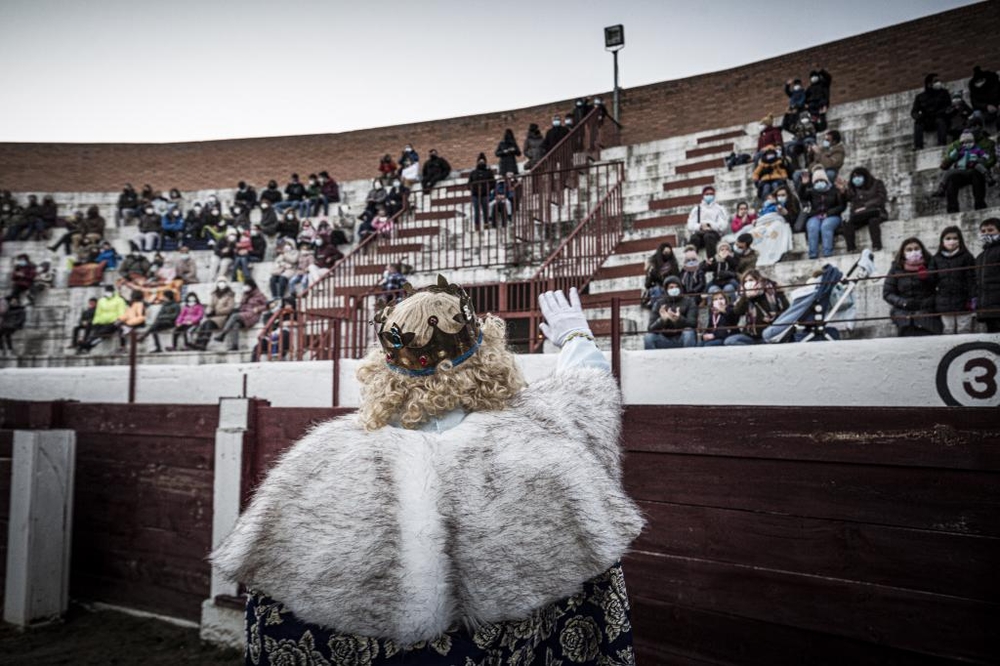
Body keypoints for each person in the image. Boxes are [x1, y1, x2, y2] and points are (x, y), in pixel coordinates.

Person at [212, 280, 642, 665]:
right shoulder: (539, 434)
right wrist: (573, 335)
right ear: (488, 355)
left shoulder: (321, 458)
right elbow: (585, 388)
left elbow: (273, 612)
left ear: (384, 369)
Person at [883, 237, 942, 337]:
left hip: (927, 310)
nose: (913, 252)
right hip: (903, 311)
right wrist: (903, 303)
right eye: (909, 250)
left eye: (916, 249)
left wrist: (927, 278)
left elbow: (939, 287)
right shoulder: (896, 268)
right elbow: (887, 293)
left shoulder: (931, 264)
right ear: (903, 253)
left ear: (922, 250)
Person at [930, 226, 976, 334]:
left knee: (964, 330)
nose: (952, 241)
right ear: (942, 241)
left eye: (955, 238)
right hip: (944, 303)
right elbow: (932, 280)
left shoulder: (967, 257)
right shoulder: (936, 258)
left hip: (964, 302)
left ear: (960, 240)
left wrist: (973, 298)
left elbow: (972, 279)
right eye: (948, 238)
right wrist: (925, 275)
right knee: (948, 330)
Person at [937, 128, 995, 213]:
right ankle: (951, 206)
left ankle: (980, 204)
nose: (967, 144)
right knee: (951, 177)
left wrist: (978, 161)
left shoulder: (984, 144)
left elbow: (988, 158)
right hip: (962, 170)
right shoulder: (958, 146)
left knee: (977, 173)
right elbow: (946, 162)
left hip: (975, 169)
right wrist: (955, 153)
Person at [724, 270, 789, 346]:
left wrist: (773, 317)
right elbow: (737, 311)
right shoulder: (743, 295)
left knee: (768, 335)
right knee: (730, 341)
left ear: (758, 280)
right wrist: (746, 297)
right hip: (751, 336)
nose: (748, 283)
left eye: (751, 280)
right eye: (746, 281)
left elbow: (786, 310)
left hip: (768, 333)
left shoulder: (770, 291)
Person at [800, 168, 844, 259]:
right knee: (812, 227)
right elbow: (802, 196)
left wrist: (829, 213)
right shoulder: (812, 192)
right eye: (816, 181)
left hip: (832, 216)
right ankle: (813, 254)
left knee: (826, 226)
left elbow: (842, 205)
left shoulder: (834, 190)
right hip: (816, 216)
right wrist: (803, 185)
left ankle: (827, 253)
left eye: (821, 180)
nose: (819, 183)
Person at [842, 167, 889, 252]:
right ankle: (851, 249)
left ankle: (876, 246)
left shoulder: (877, 183)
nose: (856, 179)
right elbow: (847, 199)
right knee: (847, 224)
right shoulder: (852, 188)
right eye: (854, 177)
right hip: (860, 215)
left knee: (873, 221)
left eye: (859, 176)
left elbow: (881, 198)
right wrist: (843, 191)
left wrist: (866, 206)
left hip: (876, 212)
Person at [214, 279, 269, 351]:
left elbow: (268, 305)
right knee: (236, 324)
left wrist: (258, 308)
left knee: (234, 316)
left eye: (247, 285)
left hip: (252, 315)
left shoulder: (259, 295)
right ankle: (234, 345)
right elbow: (242, 305)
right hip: (244, 314)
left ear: (251, 286)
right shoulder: (245, 294)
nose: (245, 287)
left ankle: (222, 334)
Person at [644, 276, 698, 350]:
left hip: (682, 338)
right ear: (666, 289)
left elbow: (693, 324)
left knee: (689, 332)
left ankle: (689, 359)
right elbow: (650, 328)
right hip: (664, 340)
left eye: (676, 287)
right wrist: (662, 320)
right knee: (648, 337)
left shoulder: (689, 301)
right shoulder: (659, 303)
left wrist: (679, 319)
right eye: (671, 287)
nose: (674, 289)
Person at [79, 285, 127, 353]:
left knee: (102, 332)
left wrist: (117, 320)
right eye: (107, 291)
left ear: (113, 291)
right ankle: (87, 343)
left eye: (109, 291)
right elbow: (98, 313)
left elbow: (121, 312)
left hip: (113, 321)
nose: (108, 293)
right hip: (101, 322)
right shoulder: (101, 300)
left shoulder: (119, 300)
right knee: (92, 327)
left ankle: (88, 344)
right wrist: (95, 322)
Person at [192, 278, 236, 350]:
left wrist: (217, 311)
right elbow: (210, 305)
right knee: (204, 324)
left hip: (222, 317)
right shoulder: (214, 294)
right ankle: (197, 343)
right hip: (213, 316)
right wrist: (208, 311)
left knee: (209, 323)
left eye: (223, 282)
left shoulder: (230, 295)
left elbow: (229, 308)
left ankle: (204, 344)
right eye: (219, 282)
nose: (221, 284)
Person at [686, 186, 728, 257]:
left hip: (713, 234)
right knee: (694, 238)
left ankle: (711, 260)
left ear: (714, 195)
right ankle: (691, 259)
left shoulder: (719, 209)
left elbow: (723, 225)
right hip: (700, 233)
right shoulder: (697, 209)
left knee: (708, 236)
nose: (709, 196)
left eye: (711, 194)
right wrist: (700, 226)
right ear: (703, 195)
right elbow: (690, 225)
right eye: (707, 194)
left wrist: (710, 226)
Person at [912, 74, 952, 150]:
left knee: (940, 121)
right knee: (918, 123)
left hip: (940, 117)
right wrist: (919, 117)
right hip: (927, 119)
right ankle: (918, 146)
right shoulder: (920, 97)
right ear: (929, 84)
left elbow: (948, 106)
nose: (938, 83)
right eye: (936, 81)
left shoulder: (944, 93)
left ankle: (942, 143)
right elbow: (914, 112)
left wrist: (942, 113)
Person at [974, 218, 1000, 333]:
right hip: (987, 307)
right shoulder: (980, 257)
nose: (986, 233)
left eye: (991, 230)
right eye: (983, 231)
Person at [643, 242, 679, 308]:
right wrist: (650, 273)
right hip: (658, 290)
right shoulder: (654, 266)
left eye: (669, 253)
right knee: (657, 290)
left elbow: (676, 278)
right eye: (665, 253)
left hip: (670, 288)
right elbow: (647, 284)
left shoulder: (673, 265)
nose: (667, 255)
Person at [467, 153, 495, 228]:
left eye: (483, 161)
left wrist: (488, 188)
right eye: (480, 161)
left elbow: (493, 183)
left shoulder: (489, 172)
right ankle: (477, 225)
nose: (481, 162)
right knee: (477, 210)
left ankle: (486, 224)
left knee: (485, 210)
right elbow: (469, 184)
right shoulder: (473, 173)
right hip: (475, 194)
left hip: (485, 194)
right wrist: (473, 188)